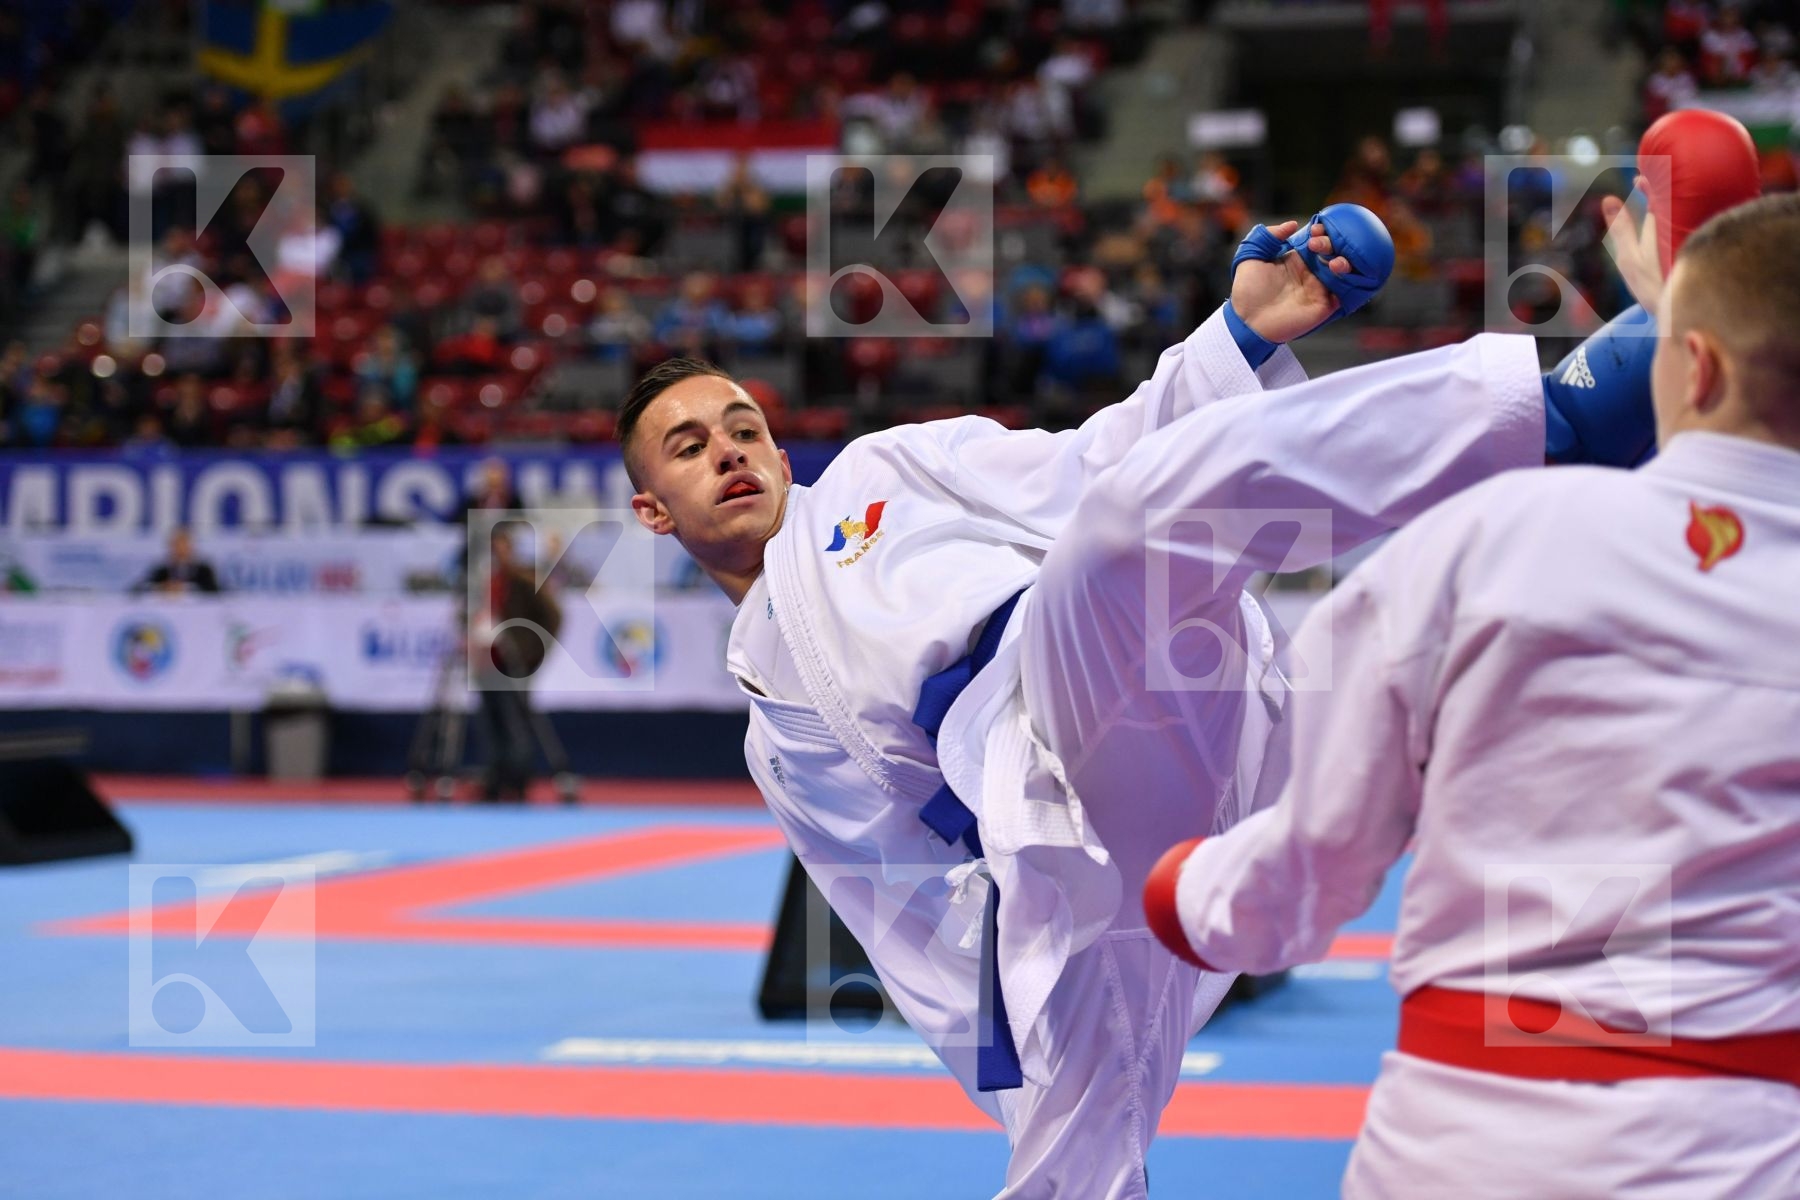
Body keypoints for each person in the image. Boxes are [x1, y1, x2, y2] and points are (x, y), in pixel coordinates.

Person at [615, 194, 1656, 1196]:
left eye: (742, 426)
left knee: (1141, 531)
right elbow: (904, 910)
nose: (729, 453)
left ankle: (1552, 420)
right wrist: (1023, 1025)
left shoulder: (885, 471)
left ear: (782, 449)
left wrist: (1239, 335)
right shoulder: (777, 740)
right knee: (1073, 1151)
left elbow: (1093, 464)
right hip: (1065, 823)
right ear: (653, 510)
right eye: (692, 446)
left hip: (1105, 670)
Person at [1145, 189, 1800, 1200]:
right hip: (1750, 1151)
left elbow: (1312, 863)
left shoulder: (1487, 543)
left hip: (1466, 1143)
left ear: (1697, 366)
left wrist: (1182, 895)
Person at [470, 527, 560, 803]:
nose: (498, 554)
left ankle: (518, 782)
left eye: (503, 548)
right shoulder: (486, 582)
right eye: (493, 549)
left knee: (514, 722)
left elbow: (552, 616)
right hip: (487, 662)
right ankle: (495, 781)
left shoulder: (524, 580)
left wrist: (532, 652)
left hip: (514, 663)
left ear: (510, 550)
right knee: (491, 723)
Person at [134, 528, 222, 595]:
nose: (180, 550)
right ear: (170, 548)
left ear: (191, 548)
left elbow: (216, 590)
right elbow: (139, 588)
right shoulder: (162, 570)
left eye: (184, 546)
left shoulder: (203, 570)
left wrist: (185, 588)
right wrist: (161, 587)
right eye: (177, 546)